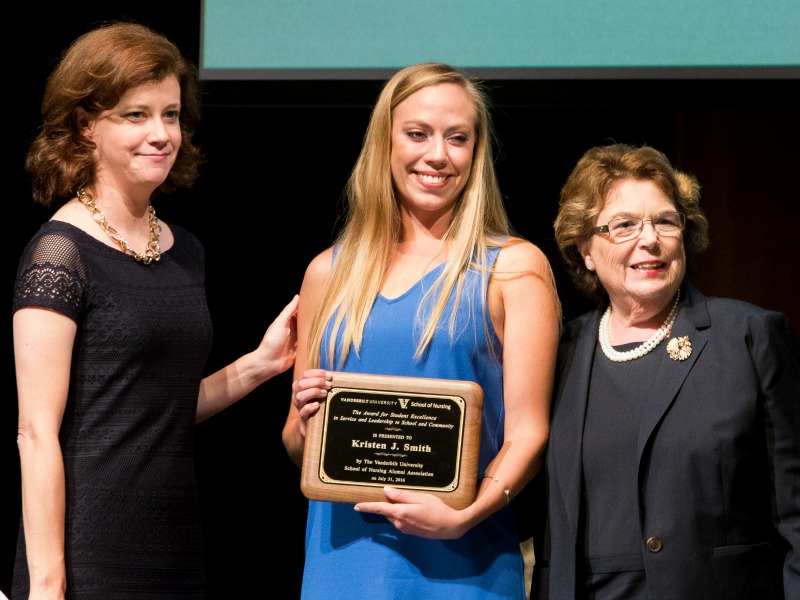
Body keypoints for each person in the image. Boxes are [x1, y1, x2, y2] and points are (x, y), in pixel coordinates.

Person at [11, 22, 298, 599]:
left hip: (172, 548)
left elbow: (155, 408)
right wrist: (47, 584)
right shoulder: (60, 252)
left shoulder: (184, 249)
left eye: (171, 114)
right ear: (86, 125)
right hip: (87, 550)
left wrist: (259, 365)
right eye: (136, 115)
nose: (162, 133)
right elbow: (36, 432)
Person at [281, 62, 561, 599]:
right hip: (342, 568)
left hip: (464, 568)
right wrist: (306, 420)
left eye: (458, 138)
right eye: (417, 134)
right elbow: (297, 444)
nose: (438, 154)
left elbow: (529, 433)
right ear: (384, 143)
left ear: (476, 154)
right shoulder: (328, 273)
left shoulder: (514, 268)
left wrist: (466, 515)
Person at [531, 142, 800, 599]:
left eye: (665, 221)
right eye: (624, 226)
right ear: (586, 251)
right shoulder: (558, 354)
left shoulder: (749, 336)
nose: (649, 239)